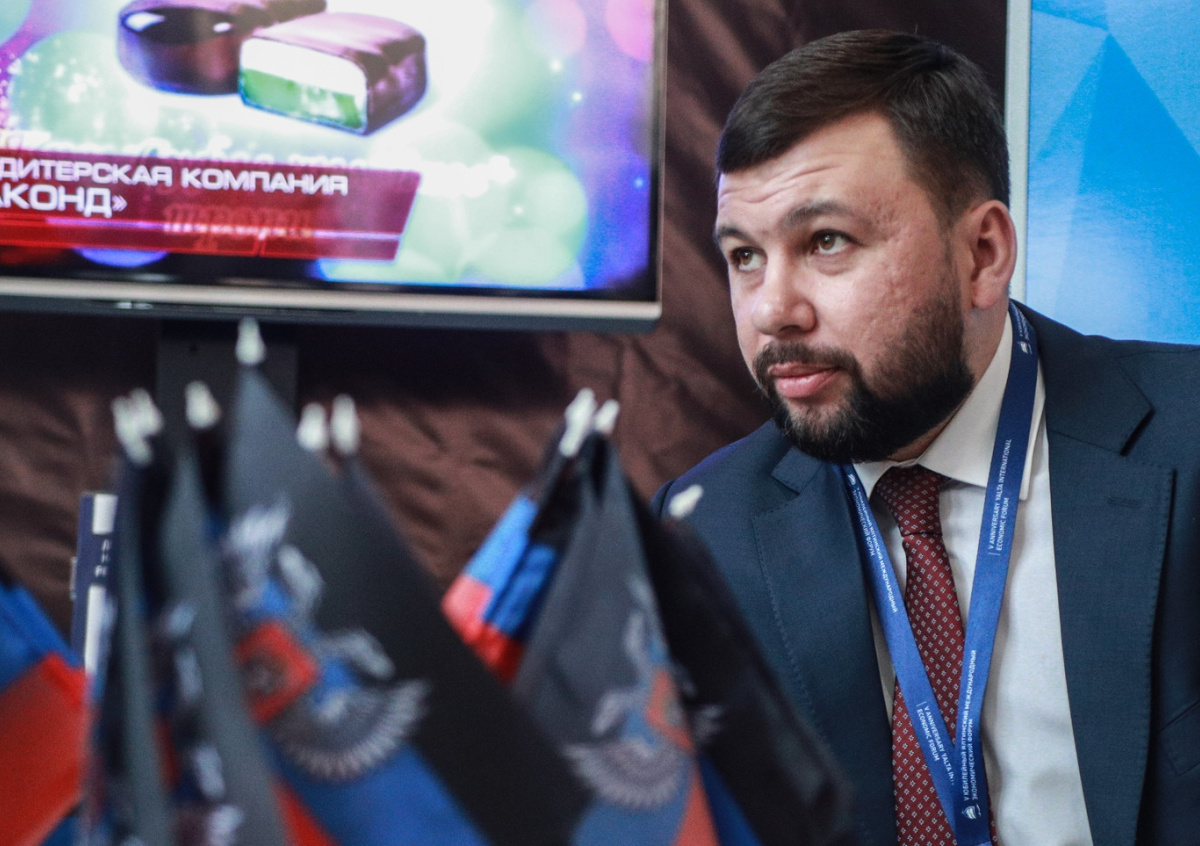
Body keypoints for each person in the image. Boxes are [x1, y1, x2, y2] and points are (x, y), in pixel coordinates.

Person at [652, 29, 1200, 846]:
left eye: (826, 241)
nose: (771, 310)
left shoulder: (1185, 442)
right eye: (744, 256)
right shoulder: (708, 532)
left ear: (982, 253)